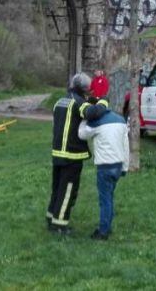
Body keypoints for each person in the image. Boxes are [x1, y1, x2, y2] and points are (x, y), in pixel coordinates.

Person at [46, 73, 108, 234]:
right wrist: (102, 101)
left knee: (57, 187)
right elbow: (91, 113)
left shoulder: (60, 101)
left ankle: (51, 216)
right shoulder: (78, 102)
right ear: (84, 88)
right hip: (71, 155)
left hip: (57, 152)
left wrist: (89, 102)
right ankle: (59, 225)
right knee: (68, 190)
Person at [78, 109, 129, 241]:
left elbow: (82, 134)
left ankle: (103, 231)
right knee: (109, 197)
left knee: (105, 200)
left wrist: (84, 119)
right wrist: (125, 167)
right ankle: (107, 226)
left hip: (105, 166)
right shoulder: (121, 120)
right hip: (117, 165)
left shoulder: (97, 122)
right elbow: (126, 145)